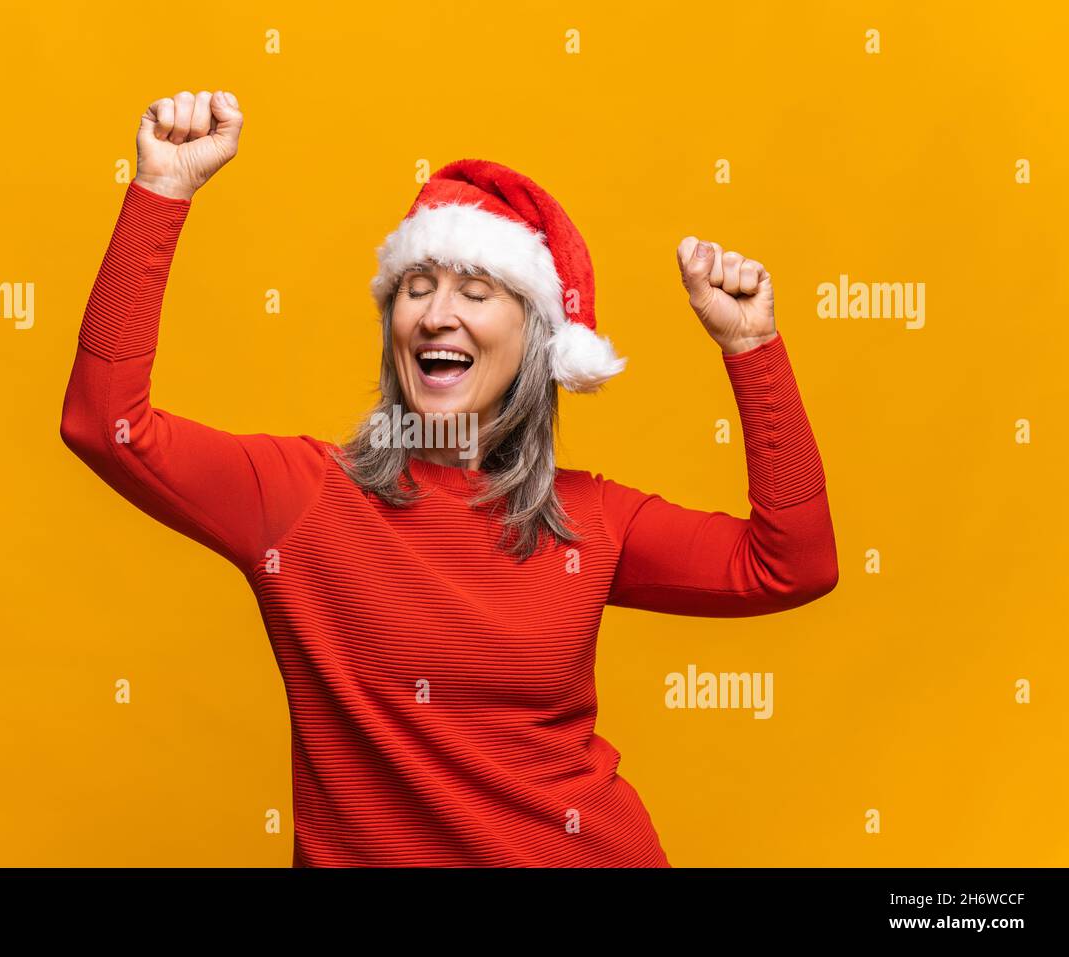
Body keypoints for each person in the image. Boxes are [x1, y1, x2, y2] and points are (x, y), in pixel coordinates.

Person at [59, 89, 840, 867]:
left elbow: (790, 565)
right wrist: (162, 191)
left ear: (535, 341)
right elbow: (106, 424)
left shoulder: (591, 519)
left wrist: (753, 348)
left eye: (476, 291)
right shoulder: (301, 497)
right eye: (417, 286)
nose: (437, 314)